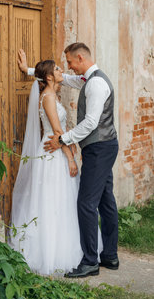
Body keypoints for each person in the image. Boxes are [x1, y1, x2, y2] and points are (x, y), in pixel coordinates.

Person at [18, 43, 119, 278]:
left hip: (99, 147)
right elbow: (59, 79)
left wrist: (64, 139)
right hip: (102, 146)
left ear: (80, 58)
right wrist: (29, 70)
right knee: (105, 200)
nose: (68, 68)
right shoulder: (86, 79)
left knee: (86, 203)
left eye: (70, 63)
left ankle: (91, 261)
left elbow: (92, 122)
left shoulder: (95, 83)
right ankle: (110, 256)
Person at [9, 60, 83, 275]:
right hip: (53, 153)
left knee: (59, 200)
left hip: (55, 149)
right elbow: (57, 131)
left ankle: (61, 245)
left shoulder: (52, 94)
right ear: (49, 77)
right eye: (58, 69)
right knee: (52, 199)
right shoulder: (49, 97)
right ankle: (49, 252)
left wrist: (26, 69)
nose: (62, 71)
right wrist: (70, 157)